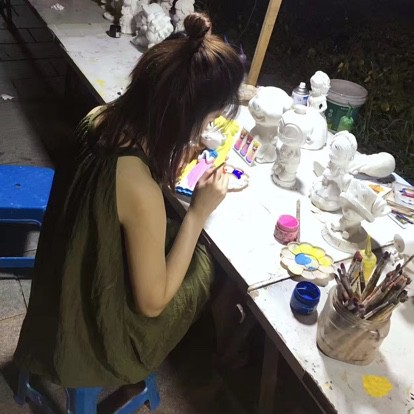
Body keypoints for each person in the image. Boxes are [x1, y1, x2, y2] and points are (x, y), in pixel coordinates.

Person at [14, 12, 244, 387]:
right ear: (184, 116)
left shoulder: (98, 117)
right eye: (206, 121)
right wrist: (197, 214)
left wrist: (172, 151)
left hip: (61, 280)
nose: (204, 130)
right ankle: (220, 364)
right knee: (205, 261)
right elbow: (151, 303)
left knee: (170, 235)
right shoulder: (138, 186)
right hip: (92, 331)